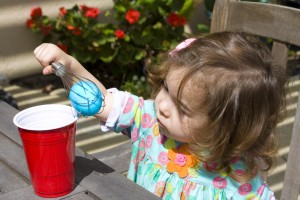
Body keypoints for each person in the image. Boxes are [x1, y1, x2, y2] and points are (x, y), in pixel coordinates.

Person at [34, 31, 286, 200]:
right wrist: (68, 65)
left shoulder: (239, 179)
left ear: (226, 128)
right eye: (166, 87)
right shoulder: (149, 119)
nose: (163, 105)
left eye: (182, 108)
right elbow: (100, 103)